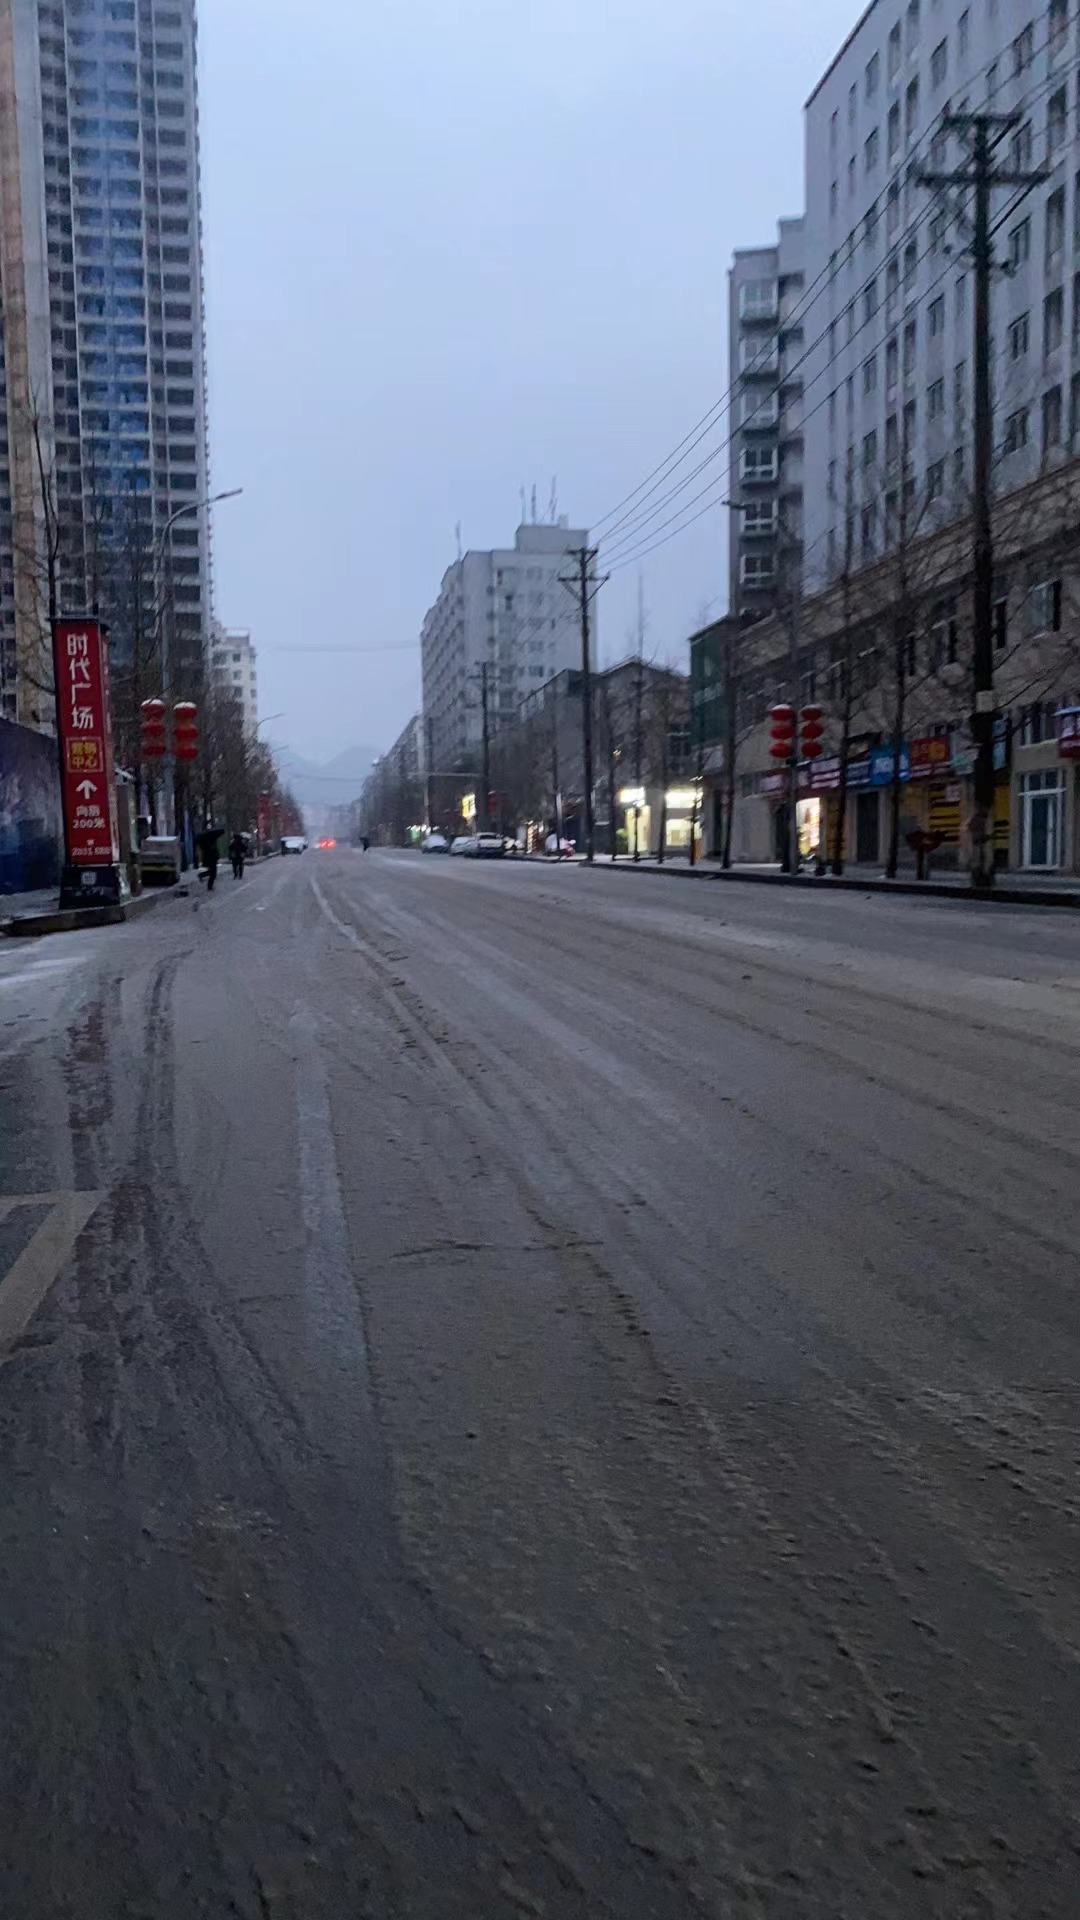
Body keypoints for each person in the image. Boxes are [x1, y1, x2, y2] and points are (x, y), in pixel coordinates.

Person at [195, 824, 221, 891]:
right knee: (213, 873)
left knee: (212, 872)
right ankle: (209, 885)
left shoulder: (204, 840)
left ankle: (203, 877)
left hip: (208, 858)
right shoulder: (211, 841)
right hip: (211, 858)